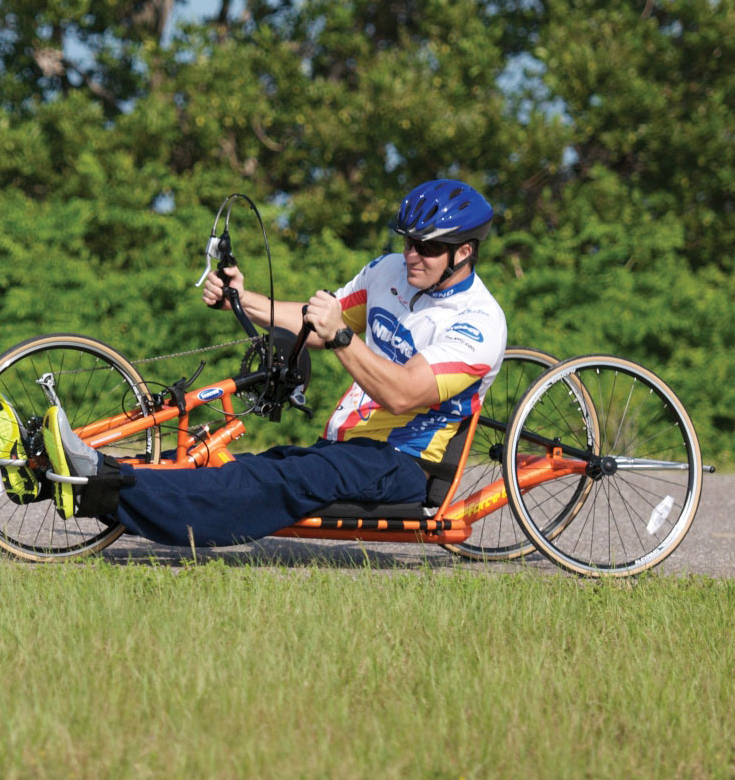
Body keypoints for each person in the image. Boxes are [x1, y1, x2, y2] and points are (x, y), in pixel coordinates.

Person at [34, 179, 508, 547]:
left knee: (267, 480)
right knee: (254, 469)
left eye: (425, 247)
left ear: (462, 252)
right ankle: (41, 474)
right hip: (346, 447)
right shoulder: (390, 273)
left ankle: (101, 483)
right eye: (407, 242)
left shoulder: (478, 324)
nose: (410, 255)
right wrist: (242, 300)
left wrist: (342, 336)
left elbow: (403, 392)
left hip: (403, 464)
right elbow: (313, 318)